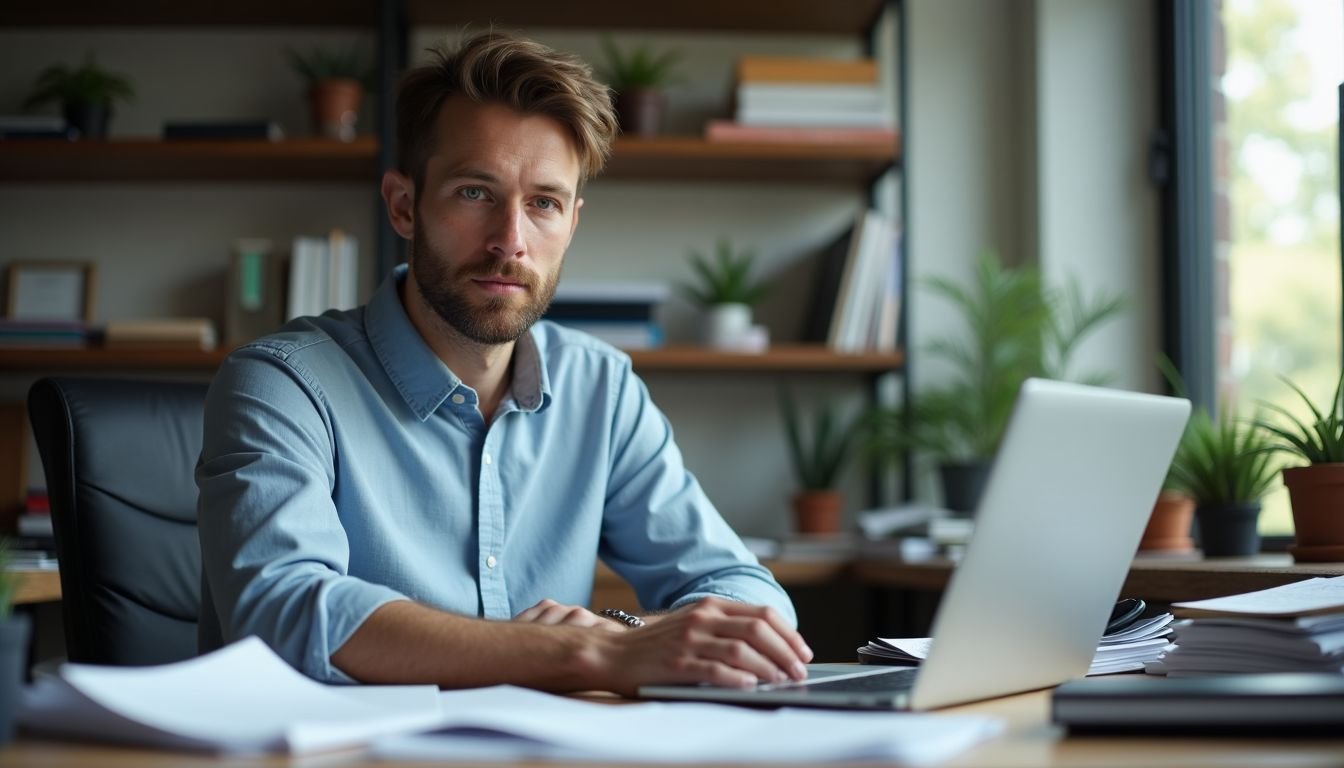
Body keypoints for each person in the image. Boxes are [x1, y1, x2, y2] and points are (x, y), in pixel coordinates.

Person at [196, 31, 812, 695]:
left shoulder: (599, 387)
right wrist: (578, 656)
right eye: (474, 193)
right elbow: (284, 612)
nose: (510, 242)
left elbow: (750, 598)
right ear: (404, 205)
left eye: (543, 203)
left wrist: (626, 636)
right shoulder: (284, 384)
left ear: (571, 223)